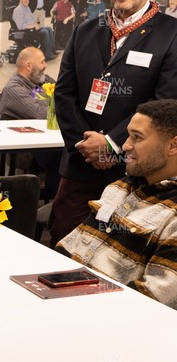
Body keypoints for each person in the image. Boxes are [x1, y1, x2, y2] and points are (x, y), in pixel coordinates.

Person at [50, 0, 177, 247]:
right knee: (62, 245)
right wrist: (87, 145)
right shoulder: (85, 30)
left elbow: (165, 101)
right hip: (81, 165)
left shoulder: (170, 33)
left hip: (135, 170)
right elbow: (64, 93)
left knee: (119, 253)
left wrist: (111, 144)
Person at [55, 99, 177, 310]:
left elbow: (152, 302)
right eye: (128, 135)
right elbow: (68, 248)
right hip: (69, 301)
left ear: (173, 145)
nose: (125, 145)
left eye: (137, 138)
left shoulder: (172, 214)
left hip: (108, 320)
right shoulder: (119, 188)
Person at [0, 47, 61, 199]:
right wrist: (57, 104)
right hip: (28, 149)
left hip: (48, 139)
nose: (46, 65)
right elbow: (41, 113)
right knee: (62, 156)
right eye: (42, 61)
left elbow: (64, 94)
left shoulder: (43, 80)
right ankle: (56, 204)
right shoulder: (14, 88)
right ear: (28, 66)